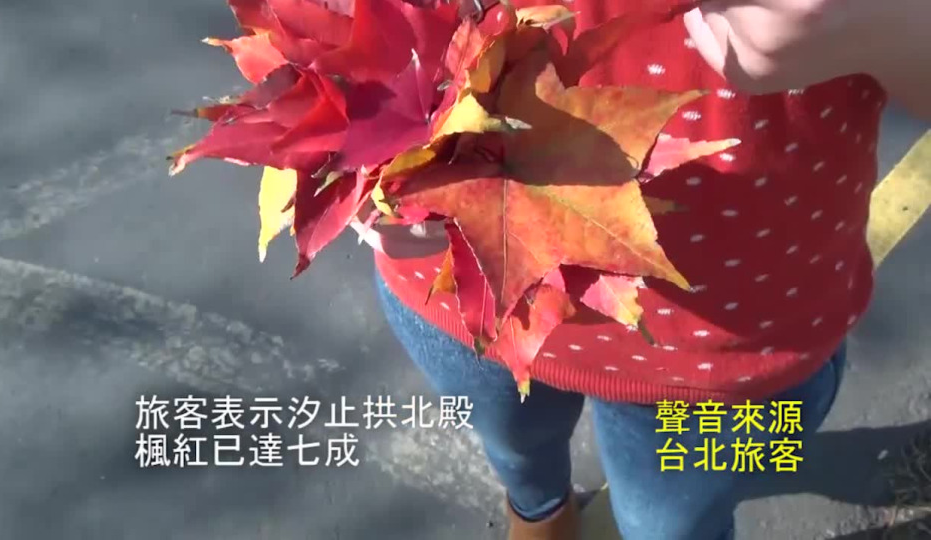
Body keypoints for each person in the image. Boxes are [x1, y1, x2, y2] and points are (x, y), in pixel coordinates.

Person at [364, 0, 931, 538]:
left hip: (723, 350)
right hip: (462, 295)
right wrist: (347, 150)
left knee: (670, 527)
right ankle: (539, 512)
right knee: (516, 451)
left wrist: (892, 26)